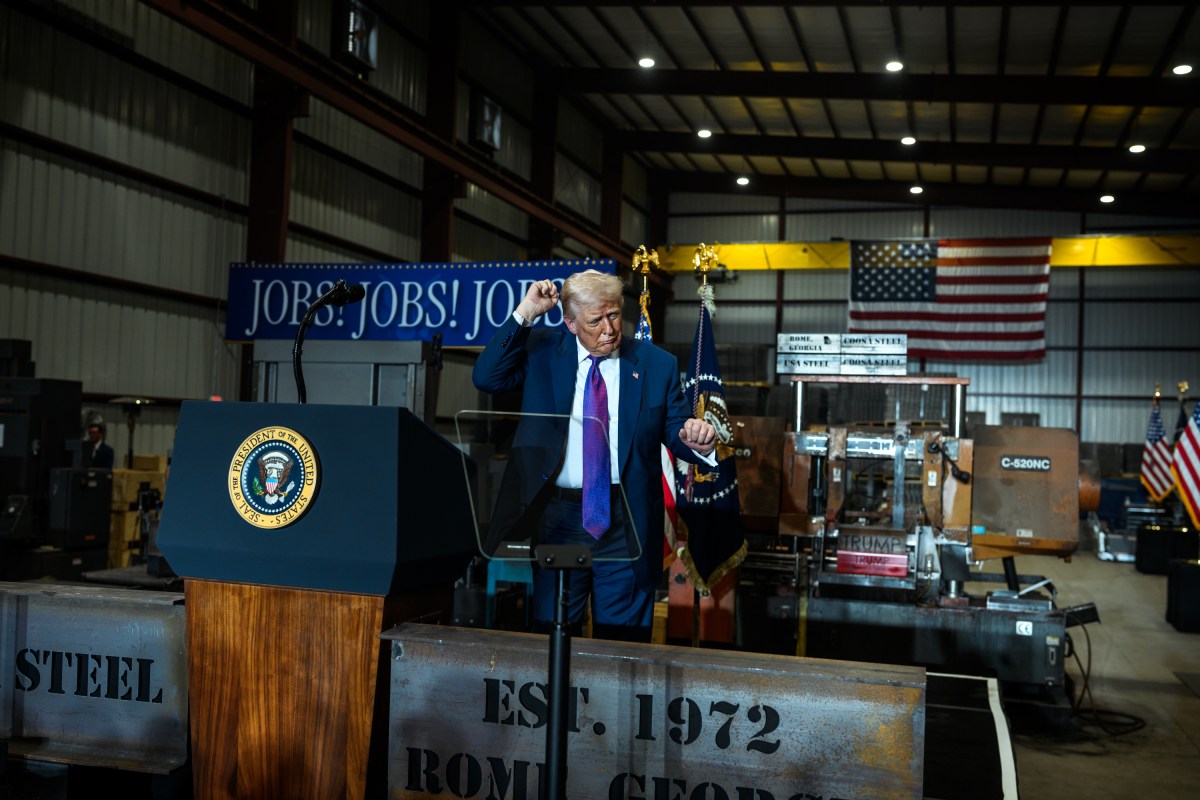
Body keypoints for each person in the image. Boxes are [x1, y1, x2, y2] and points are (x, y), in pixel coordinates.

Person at [473, 270, 717, 642]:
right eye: (595, 320)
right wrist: (525, 311)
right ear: (570, 323)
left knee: (622, 643)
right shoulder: (541, 351)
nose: (609, 329)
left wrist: (696, 440)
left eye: (614, 315)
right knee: (554, 636)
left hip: (626, 520)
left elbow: (676, 426)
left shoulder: (656, 364)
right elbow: (487, 378)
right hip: (557, 519)